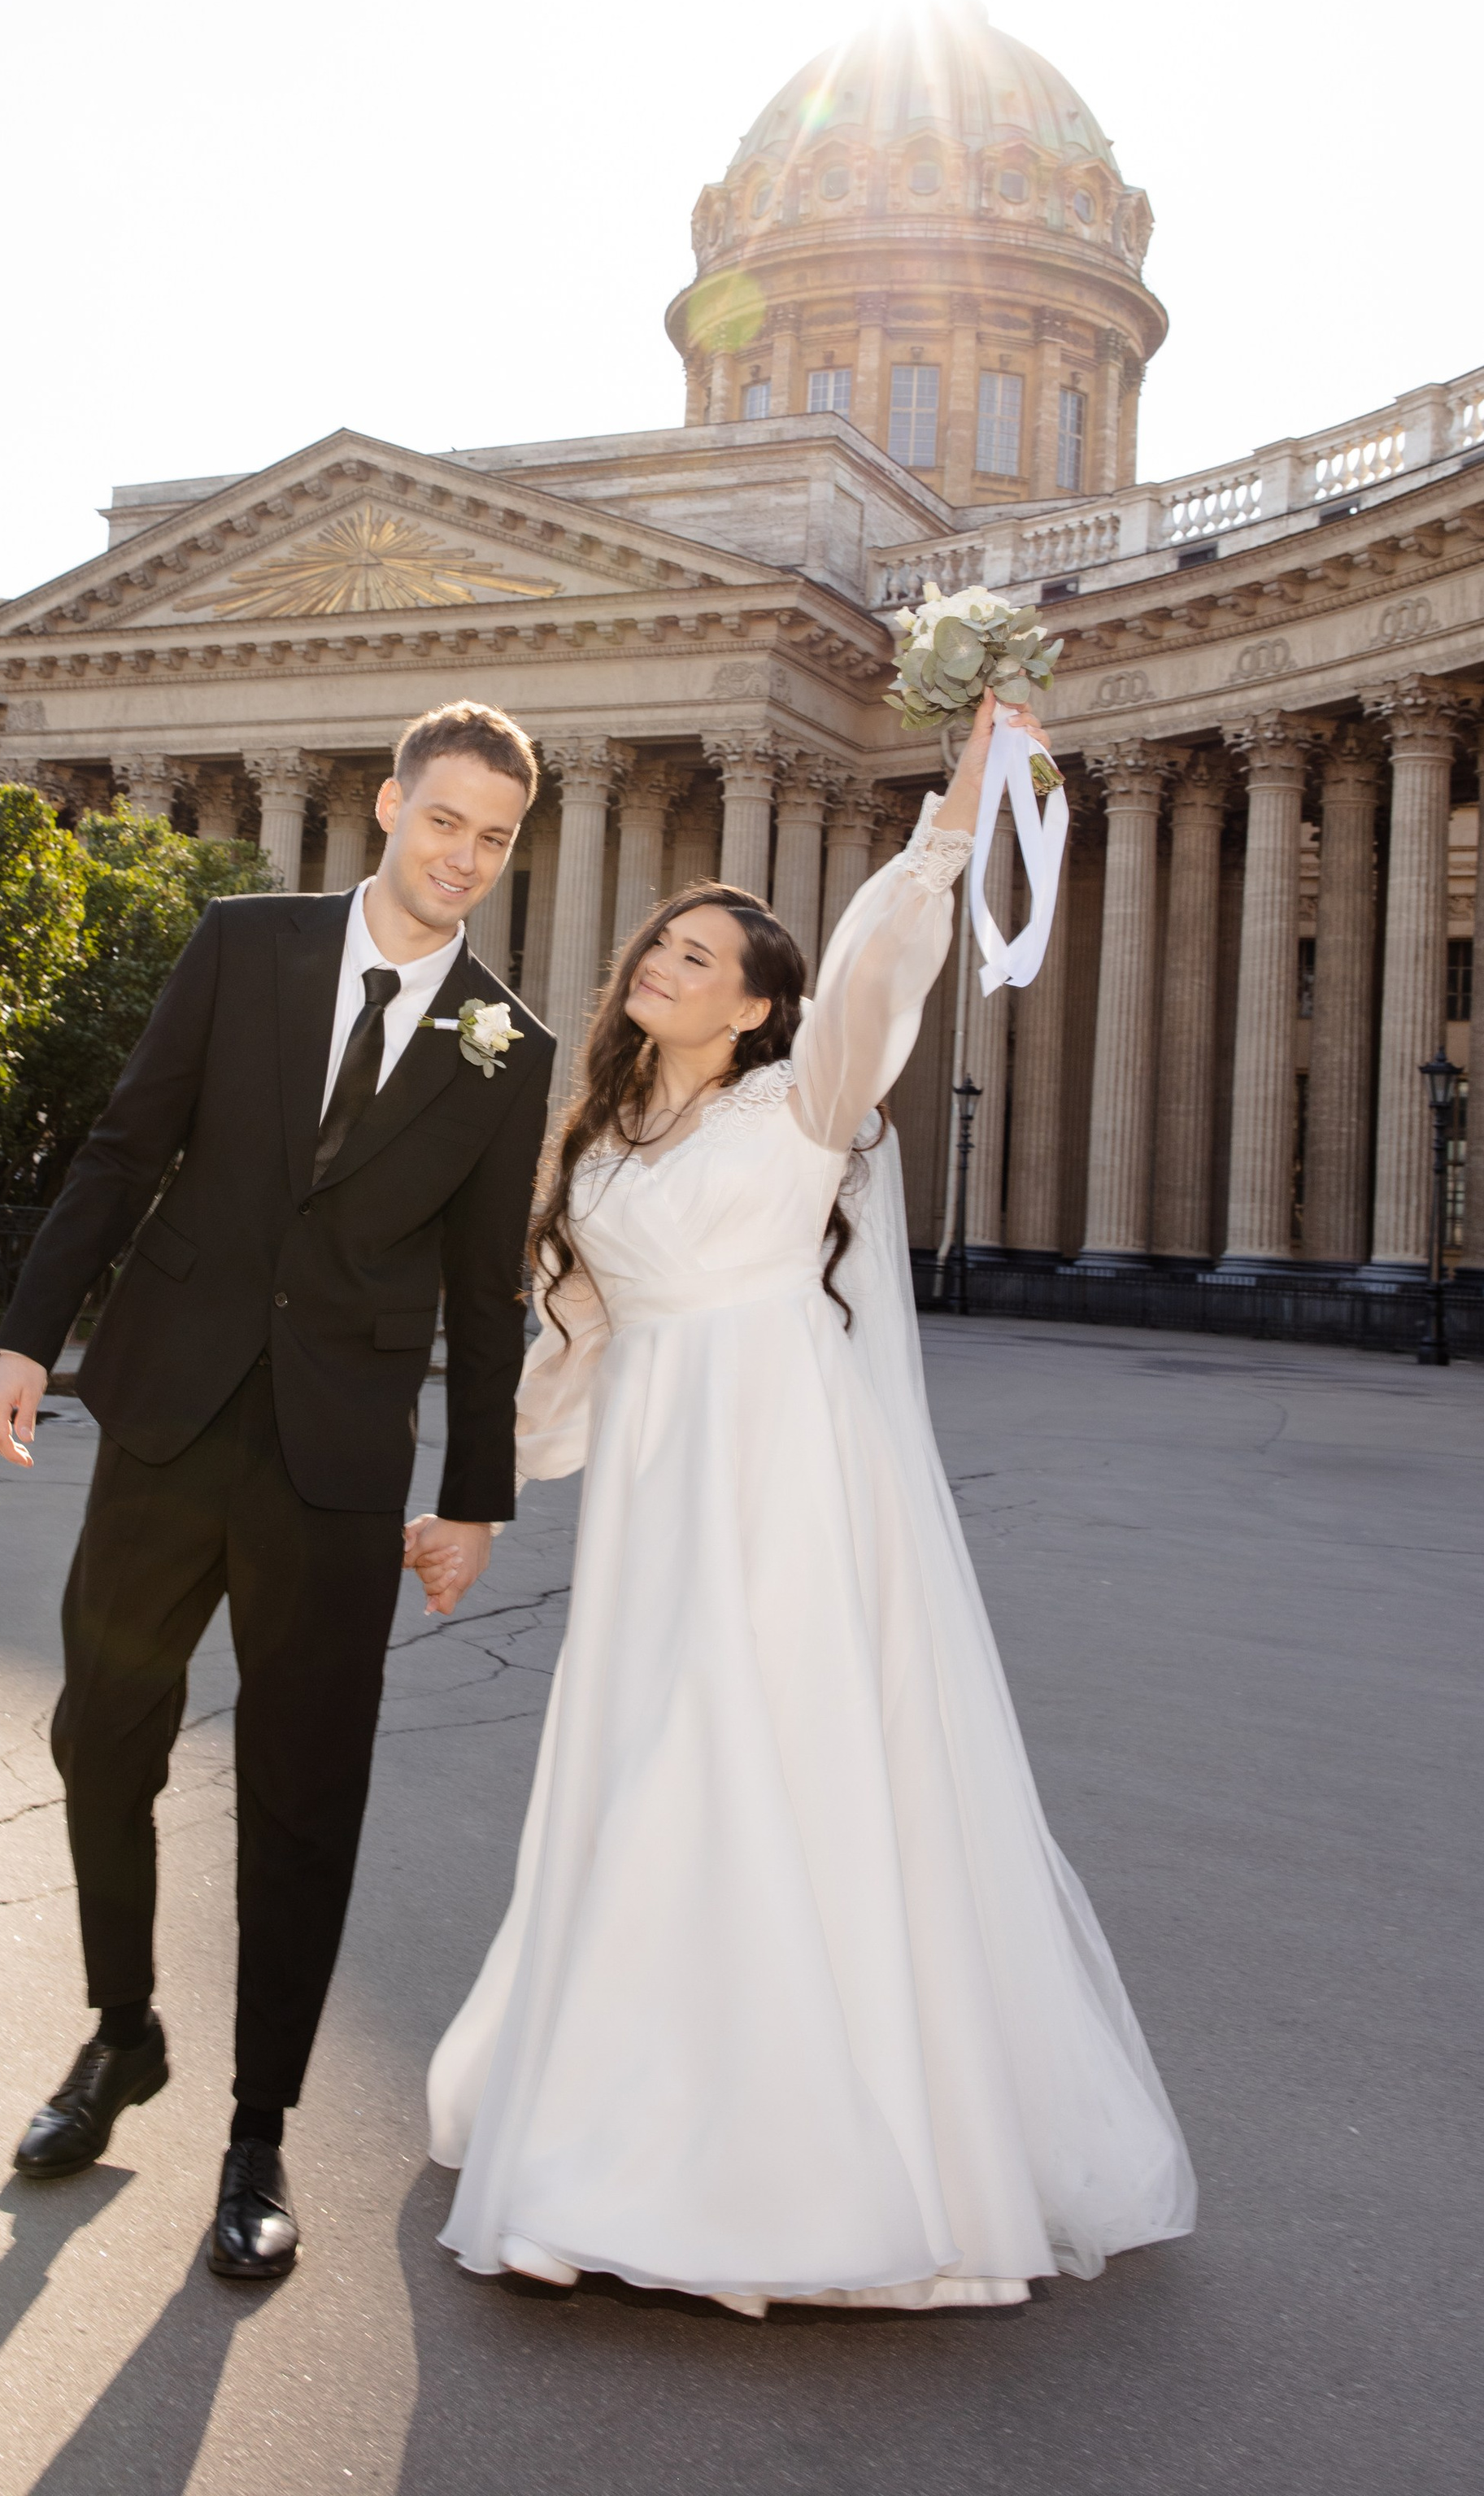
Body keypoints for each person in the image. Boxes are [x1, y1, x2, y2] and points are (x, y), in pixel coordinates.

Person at [428, 692, 1196, 2315]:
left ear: (764, 1005)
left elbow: (874, 980)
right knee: (644, 1772)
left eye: (706, 956)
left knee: (757, 1766)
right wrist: (477, 1499)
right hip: (652, 1486)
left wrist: (943, 824)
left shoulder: (807, 1104)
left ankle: (784, 2166)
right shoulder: (598, 1137)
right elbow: (561, 1346)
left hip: (780, 1471)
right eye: (664, 944)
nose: (667, 962)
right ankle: (614, 2120)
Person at [0, 702, 553, 2283]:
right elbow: (126, 1145)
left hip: (338, 1461)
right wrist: (30, 1331)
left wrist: (476, 1490)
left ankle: (257, 2132)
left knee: (304, 1798)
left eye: (494, 838)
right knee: (101, 1726)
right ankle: (119, 2033)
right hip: (170, 1411)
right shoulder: (246, 945)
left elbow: (485, 1292)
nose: (464, 857)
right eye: (445, 820)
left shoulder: (511, 1047)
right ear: (388, 805)